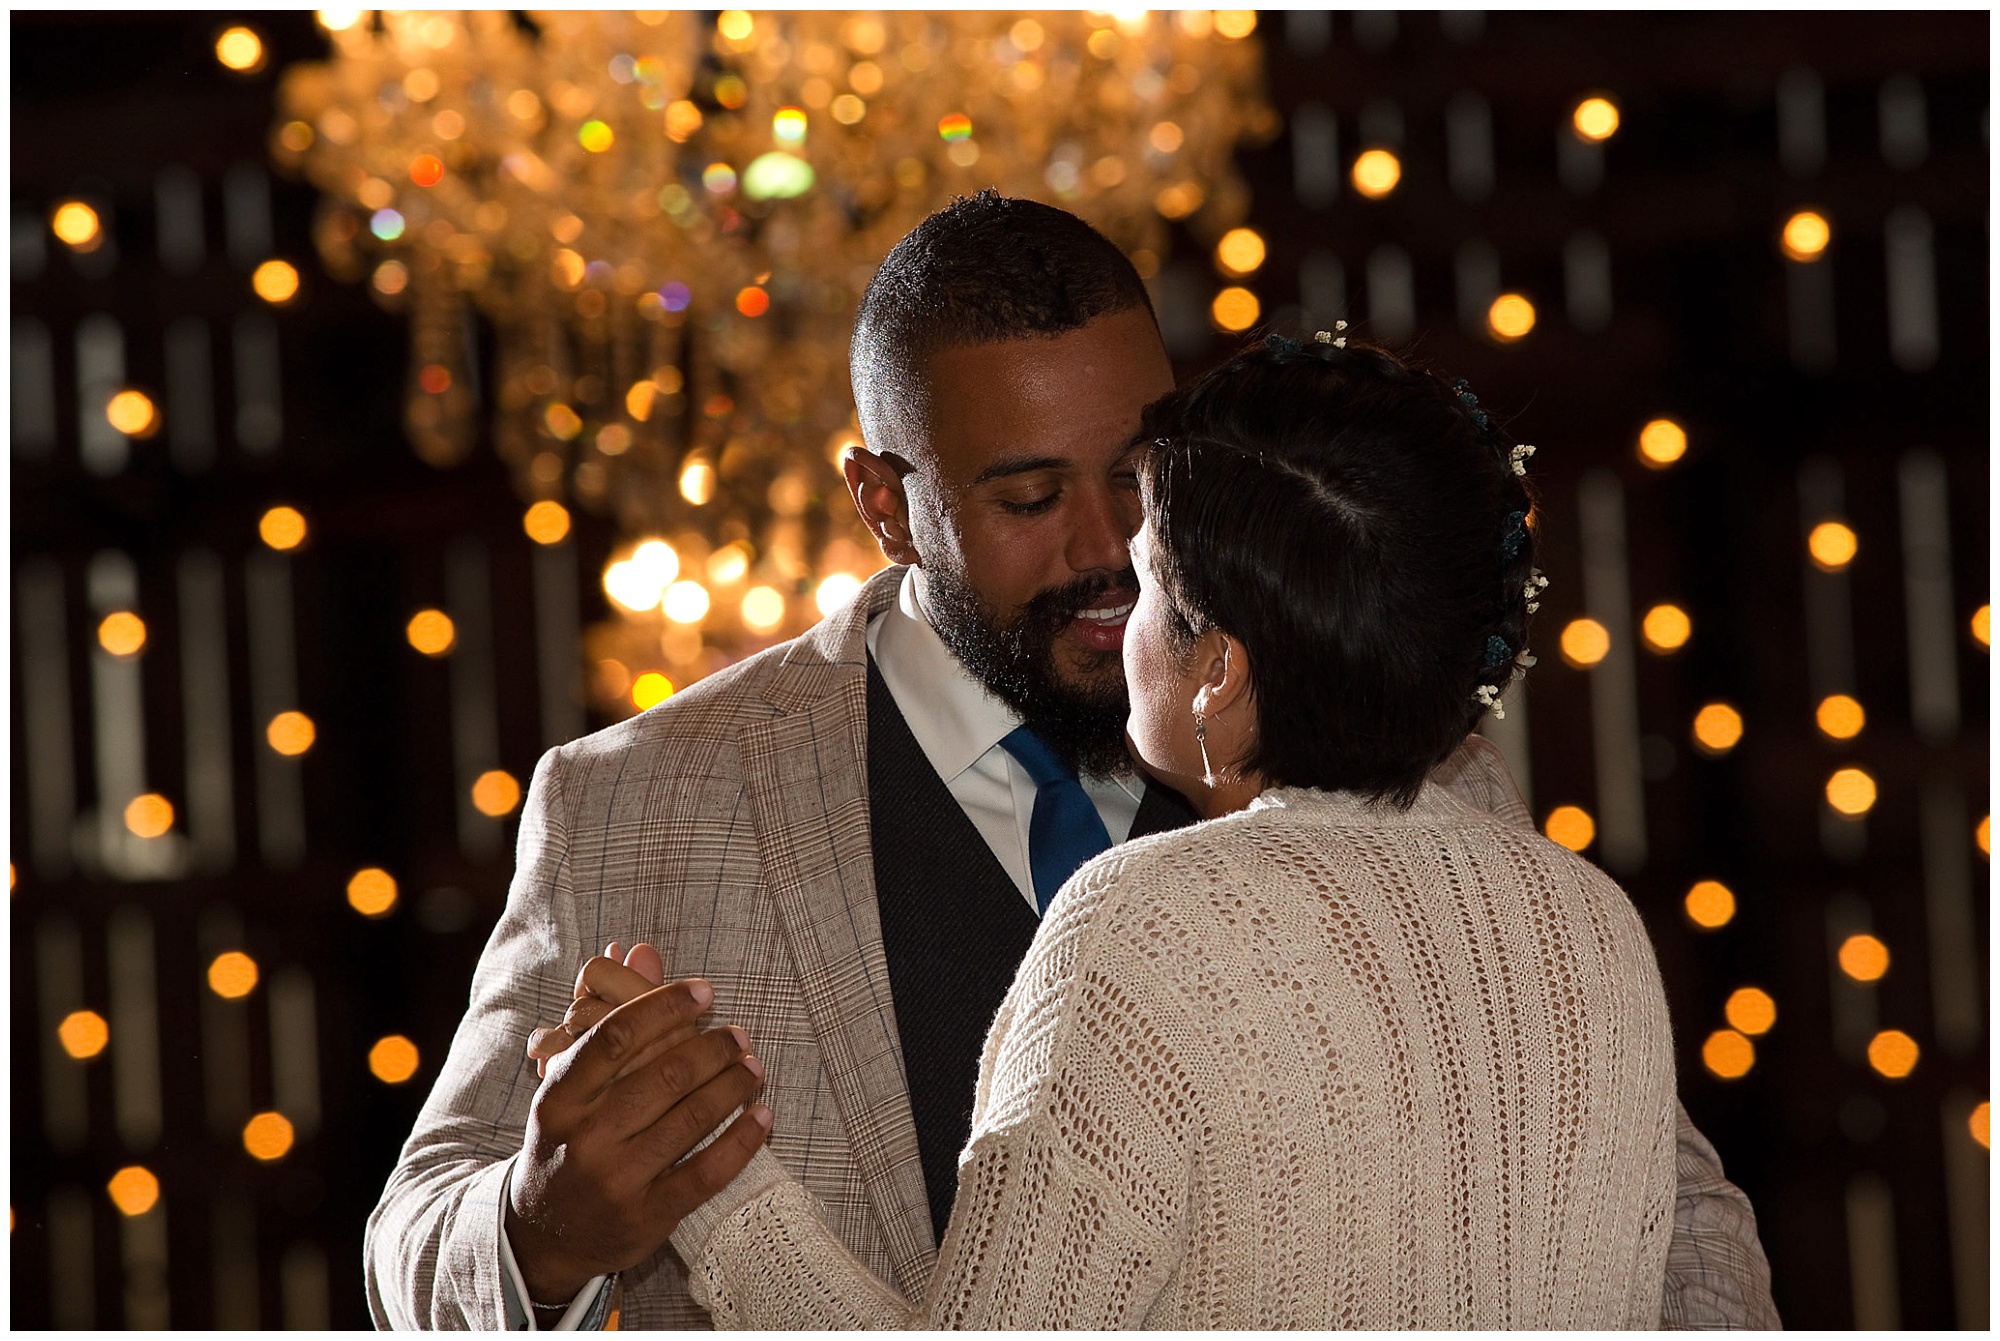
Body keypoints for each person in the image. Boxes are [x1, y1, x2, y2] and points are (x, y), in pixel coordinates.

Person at [364, 192, 1778, 1328]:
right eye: (1031, 495)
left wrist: (728, 1208)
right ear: (885, 503)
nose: (1109, 545)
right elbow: (412, 1242)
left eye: (1144, 471)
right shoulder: (638, 800)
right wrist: (541, 1228)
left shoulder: (1416, 754)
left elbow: (1675, 1218)